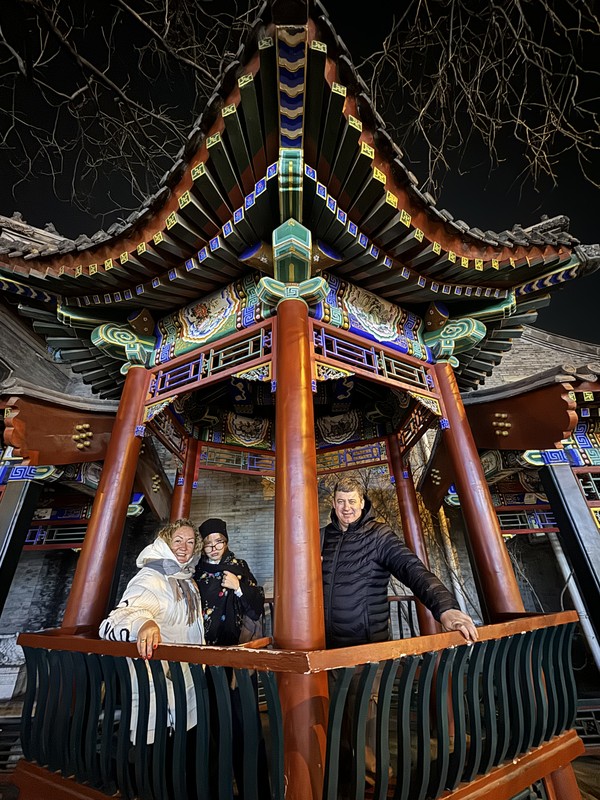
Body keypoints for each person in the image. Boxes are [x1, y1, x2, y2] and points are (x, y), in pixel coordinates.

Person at [321, 477, 478, 790]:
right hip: (327, 651)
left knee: (366, 726)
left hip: (367, 651)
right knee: (335, 723)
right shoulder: (323, 536)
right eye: (340, 501)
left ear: (363, 502)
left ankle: (375, 785)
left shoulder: (379, 535)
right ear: (333, 504)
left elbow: (412, 569)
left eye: (352, 501)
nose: (346, 508)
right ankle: (343, 784)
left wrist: (444, 608)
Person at [99, 518, 204, 744]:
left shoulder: (186, 579)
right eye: (178, 540)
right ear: (165, 542)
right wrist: (143, 623)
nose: (184, 547)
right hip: (158, 683)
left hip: (185, 677)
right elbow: (113, 622)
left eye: (190, 542)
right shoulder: (151, 577)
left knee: (181, 745)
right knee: (157, 746)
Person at [194, 517, 268, 799]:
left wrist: (238, 587)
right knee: (213, 725)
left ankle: (253, 789)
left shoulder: (238, 567)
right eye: (208, 543)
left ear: (226, 542)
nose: (214, 548)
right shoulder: (195, 573)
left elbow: (256, 606)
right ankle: (220, 787)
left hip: (238, 660)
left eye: (219, 542)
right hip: (206, 660)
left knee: (244, 724)